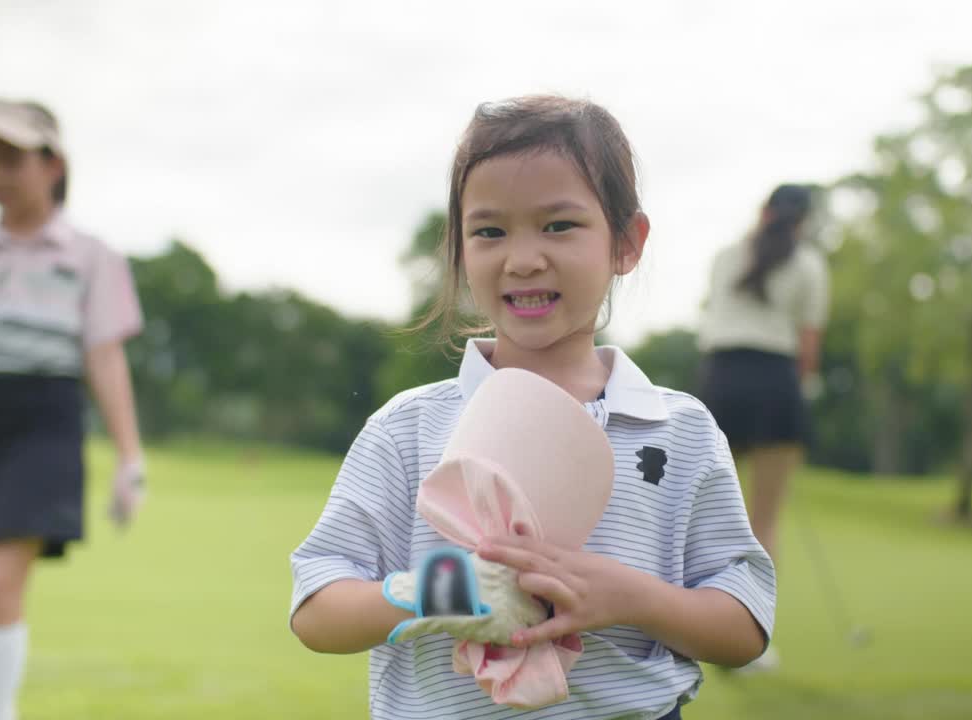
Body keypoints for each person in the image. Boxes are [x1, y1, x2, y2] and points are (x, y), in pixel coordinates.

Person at [289, 95, 776, 719]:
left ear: (626, 243)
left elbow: (744, 625)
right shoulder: (406, 428)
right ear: (460, 248)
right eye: (489, 231)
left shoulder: (680, 430)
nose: (522, 259)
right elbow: (317, 611)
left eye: (558, 225)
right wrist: (448, 590)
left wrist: (631, 598)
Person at [0, 99, 147, 720]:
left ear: (53, 165)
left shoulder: (91, 257)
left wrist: (130, 457)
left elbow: (104, 359)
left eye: (10, 158)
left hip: (42, 425)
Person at [696, 184, 830, 669]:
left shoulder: (726, 256)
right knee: (763, 523)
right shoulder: (810, 264)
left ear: (764, 211)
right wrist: (805, 392)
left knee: (705, 518)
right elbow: (809, 345)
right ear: (803, 221)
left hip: (723, 379)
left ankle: (692, 629)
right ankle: (751, 643)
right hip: (776, 383)